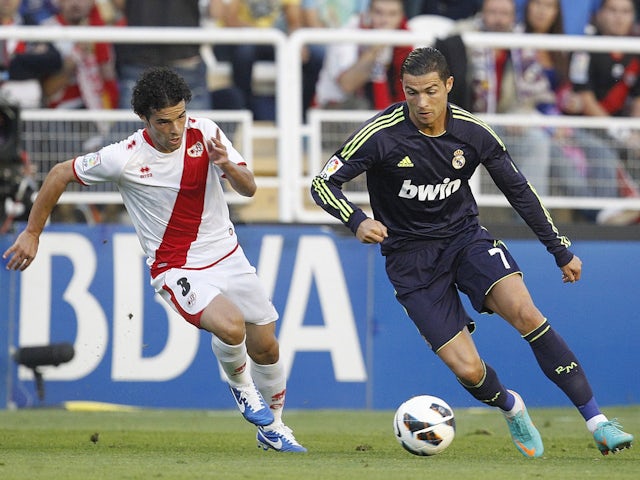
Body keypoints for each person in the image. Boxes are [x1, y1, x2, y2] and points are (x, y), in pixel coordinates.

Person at [310, 46, 634, 458]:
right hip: (410, 259)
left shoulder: (473, 132)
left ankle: (598, 422)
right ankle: (511, 406)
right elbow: (323, 183)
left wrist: (559, 249)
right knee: (469, 370)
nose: (422, 103)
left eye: (431, 91)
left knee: (526, 313)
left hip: (465, 240)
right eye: (412, 93)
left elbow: (519, 191)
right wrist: (356, 220)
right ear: (403, 90)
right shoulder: (381, 134)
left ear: (448, 85)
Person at [2, 66, 306, 453]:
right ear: (144, 118)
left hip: (228, 255)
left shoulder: (207, 132)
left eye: (181, 116)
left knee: (267, 347)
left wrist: (227, 165)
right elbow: (60, 173)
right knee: (231, 328)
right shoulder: (124, 157)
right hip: (177, 267)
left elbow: (249, 188)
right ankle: (244, 391)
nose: (176, 128)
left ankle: (275, 427)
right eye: (164, 121)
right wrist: (32, 232)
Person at [436, 0, 554, 196]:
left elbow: (532, 96)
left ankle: (531, 219)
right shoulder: (463, 35)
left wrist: (519, 114)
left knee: (537, 141)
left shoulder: (522, 44)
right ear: (482, 13)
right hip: (466, 121)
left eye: (504, 13)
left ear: (513, 16)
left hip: (503, 124)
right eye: (493, 12)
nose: (499, 19)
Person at [522, 0, 624, 222]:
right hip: (531, 121)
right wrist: (546, 122)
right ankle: (598, 215)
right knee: (560, 158)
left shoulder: (560, 48)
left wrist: (570, 100)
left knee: (602, 151)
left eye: (549, 6)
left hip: (560, 122)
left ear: (556, 13)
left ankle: (608, 210)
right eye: (537, 4)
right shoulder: (515, 42)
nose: (541, 11)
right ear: (527, 8)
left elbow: (562, 91)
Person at [569, 0, 640, 223]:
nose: (619, 17)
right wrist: (620, 132)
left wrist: (635, 131)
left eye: (625, 11)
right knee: (605, 152)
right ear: (599, 14)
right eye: (613, 10)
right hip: (584, 128)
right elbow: (585, 98)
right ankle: (616, 213)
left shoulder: (636, 50)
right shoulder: (584, 49)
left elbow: (638, 98)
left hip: (624, 129)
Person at [213, 0, 324, 120]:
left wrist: (299, 46)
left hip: (275, 41)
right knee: (244, 53)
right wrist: (260, 33)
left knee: (314, 56)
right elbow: (230, 20)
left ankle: (300, 115)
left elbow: (293, 20)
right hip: (243, 39)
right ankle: (243, 112)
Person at [112, 0, 211, 111]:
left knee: (129, 126)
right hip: (184, 54)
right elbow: (216, 11)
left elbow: (119, 3)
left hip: (140, 52)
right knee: (194, 125)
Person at [314, 0, 413, 110]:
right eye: (379, 13)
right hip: (337, 109)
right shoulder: (349, 31)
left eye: (392, 14)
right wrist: (376, 48)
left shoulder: (408, 37)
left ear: (401, 16)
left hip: (385, 108)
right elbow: (347, 84)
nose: (385, 20)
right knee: (361, 106)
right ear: (368, 13)